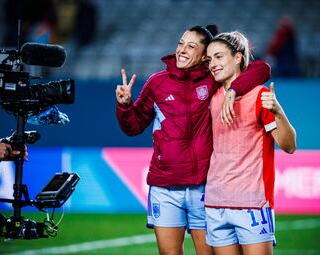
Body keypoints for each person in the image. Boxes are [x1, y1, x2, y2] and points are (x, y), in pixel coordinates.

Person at [116, 25, 271, 255]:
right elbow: (134, 127)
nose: (182, 50)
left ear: (204, 55)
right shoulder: (157, 83)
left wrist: (233, 91)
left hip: (203, 187)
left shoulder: (213, 78)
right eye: (181, 43)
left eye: (191, 46)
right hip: (164, 187)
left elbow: (261, 68)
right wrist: (125, 106)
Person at [205, 31, 297, 255]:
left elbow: (289, 146)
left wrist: (278, 111)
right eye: (209, 60)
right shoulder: (212, 95)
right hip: (215, 202)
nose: (213, 64)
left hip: (252, 204)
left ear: (237, 58)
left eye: (219, 57)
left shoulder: (259, 95)